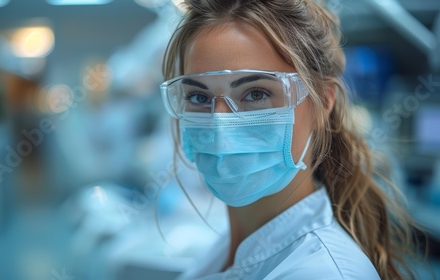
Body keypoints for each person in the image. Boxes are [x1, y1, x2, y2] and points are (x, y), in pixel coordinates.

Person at [159, 0, 421, 279]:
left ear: (323, 102)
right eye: (199, 97)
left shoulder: (323, 273)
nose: (219, 125)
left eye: (256, 93)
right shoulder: (228, 249)